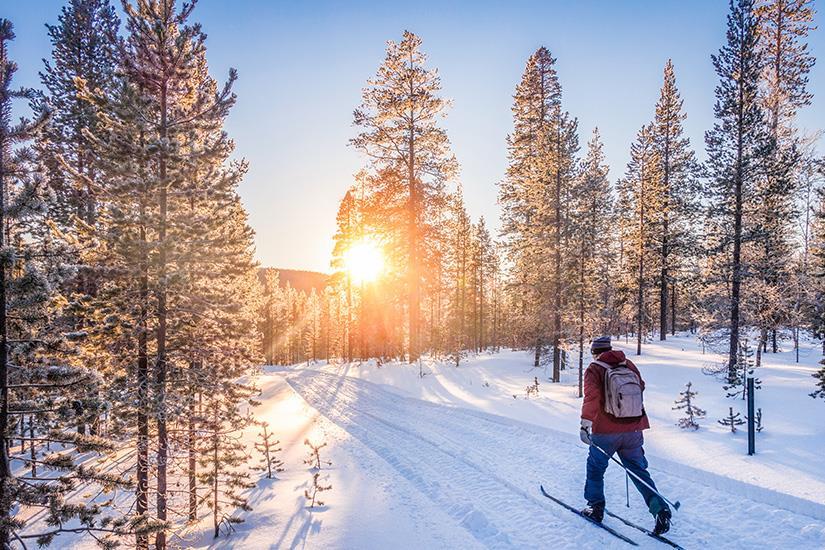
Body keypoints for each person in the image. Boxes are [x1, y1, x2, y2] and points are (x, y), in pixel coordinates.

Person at [579, 335, 671, 535]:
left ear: (595, 352)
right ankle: (660, 509)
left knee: (595, 469)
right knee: (639, 471)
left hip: (605, 431)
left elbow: (592, 397)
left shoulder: (594, 369)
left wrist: (585, 424)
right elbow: (641, 386)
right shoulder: (628, 364)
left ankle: (595, 509)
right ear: (610, 348)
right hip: (633, 430)